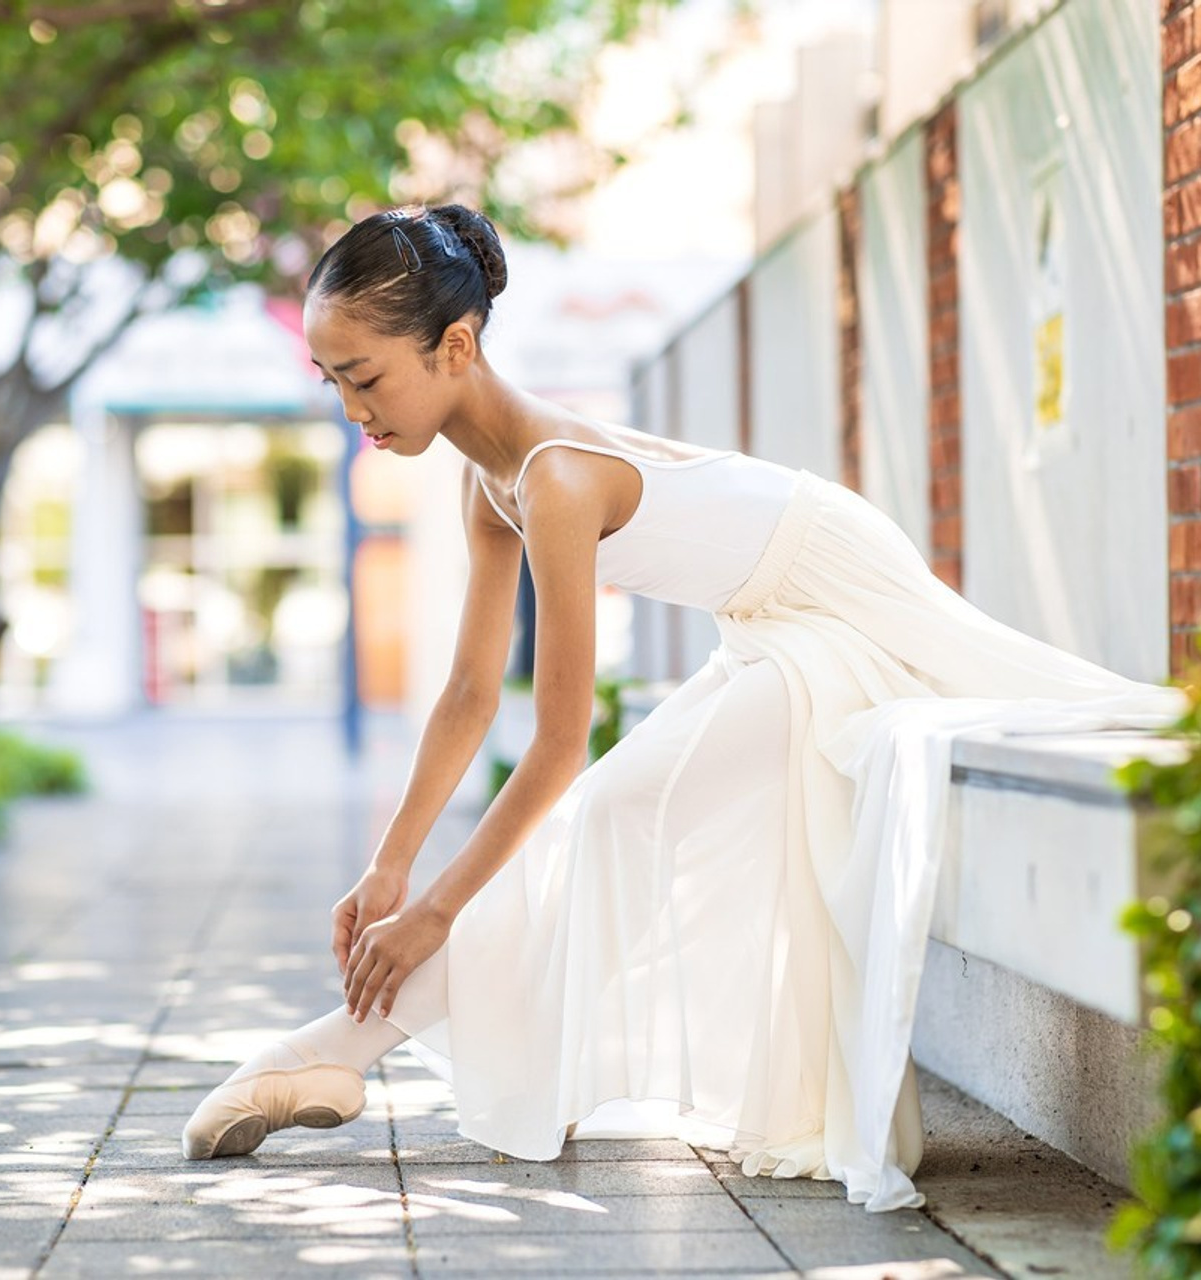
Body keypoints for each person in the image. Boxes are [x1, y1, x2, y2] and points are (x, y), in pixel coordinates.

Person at [182, 203, 1184, 1212]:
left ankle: (329, 1050)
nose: (351, 408)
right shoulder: (488, 481)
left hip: (836, 598)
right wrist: (390, 865)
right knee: (615, 817)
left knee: (610, 810)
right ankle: (331, 1053)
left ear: (455, 346)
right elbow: (469, 693)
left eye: (364, 376)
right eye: (332, 380)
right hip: (762, 623)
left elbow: (559, 743)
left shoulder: (555, 479)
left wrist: (435, 911)